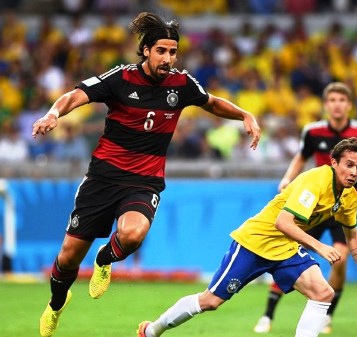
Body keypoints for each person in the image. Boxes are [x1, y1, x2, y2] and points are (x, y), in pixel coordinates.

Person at [32, 12, 260, 337]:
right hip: (103, 178)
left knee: (133, 234)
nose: (168, 58)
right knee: (67, 259)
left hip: (144, 181)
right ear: (146, 51)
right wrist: (54, 113)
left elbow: (211, 103)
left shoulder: (181, 84)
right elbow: (76, 95)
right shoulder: (120, 79)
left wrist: (244, 114)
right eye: (162, 51)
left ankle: (105, 257)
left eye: (173, 52)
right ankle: (56, 304)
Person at [137, 137, 357, 337]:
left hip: (286, 248)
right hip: (254, 242)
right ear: (333, 163)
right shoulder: (315, 181)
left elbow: (353, 239)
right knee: (210, 301)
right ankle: (152, 330)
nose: (355, 172)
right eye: (349, 165)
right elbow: (283, 222)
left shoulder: (349, 197)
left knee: (323, 292)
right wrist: (319, 246)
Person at [254, 81, 357, 334]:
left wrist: (351, 165)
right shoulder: (313, 131)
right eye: (332, 100)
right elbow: (301, 156)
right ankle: (268, 315)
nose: (337, 105)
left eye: (342, 100)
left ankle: (327, 315)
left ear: (349, 105)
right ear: (325, 105)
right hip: (312, 205)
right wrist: (287, 178)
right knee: (286, 249)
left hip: (344, 204)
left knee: (341, 260)